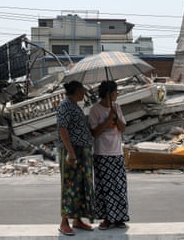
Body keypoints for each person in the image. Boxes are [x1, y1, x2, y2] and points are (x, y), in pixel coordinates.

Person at [89, 80, 130, 230]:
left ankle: (119, 218)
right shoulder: (95, 110)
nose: (117, 94)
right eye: (115, 91)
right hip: (102, 154)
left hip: (117, 153)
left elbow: (123, 128)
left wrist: (115, 117)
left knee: (119, 187)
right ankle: (106, 218)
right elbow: (94, 132)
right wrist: (107, 120)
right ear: (108, 93)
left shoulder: (117, 107)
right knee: (104, 188)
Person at [56, 80, 94, 236]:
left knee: (80, 185)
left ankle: (77, 219)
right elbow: (62, 129)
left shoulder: (74, 106)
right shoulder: (65, 105)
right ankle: (64, 222)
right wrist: (71, 153)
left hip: (82, 151)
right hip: (72, 151)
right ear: (76, 91)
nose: (84, 93)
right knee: (70, 186)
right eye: (82, 90)